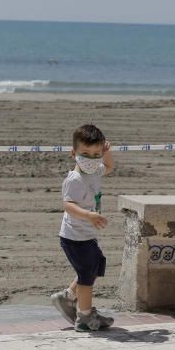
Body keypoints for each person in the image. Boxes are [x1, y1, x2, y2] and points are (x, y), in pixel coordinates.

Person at [50, 124, 116, 331]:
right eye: (85, 153)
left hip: (87, 234)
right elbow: (68, 205)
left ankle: (67, 296)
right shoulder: (75, 179)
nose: (91, 158)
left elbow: (110, 168)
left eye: (96, 154)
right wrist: (88, 215)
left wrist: (107, 154)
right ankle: (85, 316)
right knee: (87, 275)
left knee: (95, 266)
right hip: (73, 236)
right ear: (74, 153)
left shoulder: (95, 170)